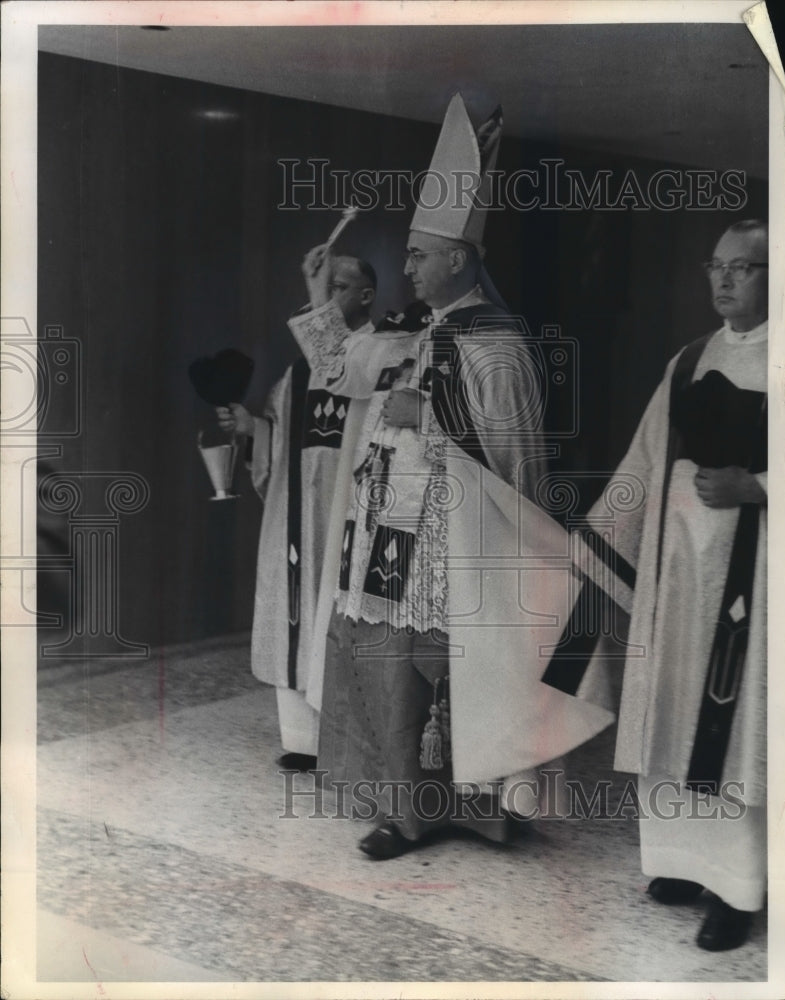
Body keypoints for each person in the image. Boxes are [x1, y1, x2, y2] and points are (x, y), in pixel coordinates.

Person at [288, 94, 614, 859]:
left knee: (456, 673)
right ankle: (405, 813)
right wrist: (317, 297)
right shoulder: (411, 328)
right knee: (390, 673)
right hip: (386, 539)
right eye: (407, 256)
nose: (405, 267)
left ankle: (483, 812)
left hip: (457, 546)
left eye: (417, 255)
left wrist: (428, 414)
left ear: (458, 260)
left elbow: (515, 454)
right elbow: (337, 370)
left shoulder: (497, 342)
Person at [565, 220, 768, 950]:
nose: (724, 279)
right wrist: (592, 543)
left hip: (756, 580)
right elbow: (645, 461)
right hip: (678, 570)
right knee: (675, 709)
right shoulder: (688, 361)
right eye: (716, 265)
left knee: (737, 723)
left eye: (743, 267)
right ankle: (682, 862)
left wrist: (761, 485)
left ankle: (739, 886)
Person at [217, 254, 377, 769]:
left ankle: (351, 739)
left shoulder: (380, 355)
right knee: (294, 610)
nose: (324, 297)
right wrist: (254, 429)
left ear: (367, 296)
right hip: (297, 513)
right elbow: (281, 436)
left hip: (349, 511)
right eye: (319, 286)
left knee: (338, 612)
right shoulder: (298, 371)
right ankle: (305, 741)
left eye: (338, 286)